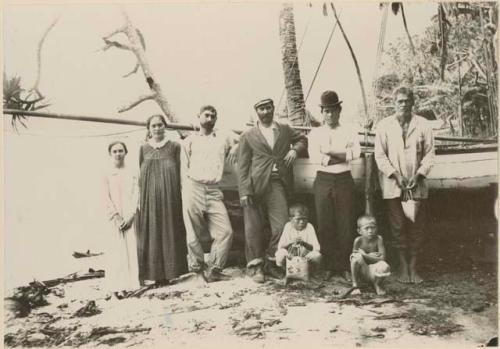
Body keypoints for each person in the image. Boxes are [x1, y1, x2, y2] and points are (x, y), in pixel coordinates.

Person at [238, 98, 307, 283]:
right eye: (261, 108)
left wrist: (295, 151)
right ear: (256, 111)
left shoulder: (284, 129)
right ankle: (255, 268)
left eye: (268, 107)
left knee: (281, 225)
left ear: (273, 109)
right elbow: (242, 167)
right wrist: (245, 191)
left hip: (277, 183)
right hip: (254, 185)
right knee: (253, 228)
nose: (266, 111)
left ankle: (271, 261)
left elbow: (302, 139)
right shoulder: (248, 135)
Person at [374, 86, 434, 284]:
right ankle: (402, 268)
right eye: (400, 101)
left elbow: (429, 154)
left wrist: (418, 175)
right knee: (398, 226)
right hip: (393, 186)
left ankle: (413, 268)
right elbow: (380, 156)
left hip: (417, 185)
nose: (403, 104)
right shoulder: (384, 126)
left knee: (417, 227)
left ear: (412, 103)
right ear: (394, 103)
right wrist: (395, 175)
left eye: (407, 101)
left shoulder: (423, 125)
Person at [180, 105, 239, 282]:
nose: (210, 118)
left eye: (214, 116)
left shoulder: (223, 137)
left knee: (225, 231)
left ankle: (214, 270)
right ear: (198, 117)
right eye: (206, 115)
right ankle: (197, 271)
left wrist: (236, 147)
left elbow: (244, 139)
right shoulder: (188, 141)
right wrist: (186, 192)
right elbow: (184, 169)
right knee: (193, 233)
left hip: (214, 189)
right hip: (193, 187)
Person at [308, 91, 361, 281]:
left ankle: (345, 266)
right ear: (322, 112)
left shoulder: (350, 130)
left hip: (344, 180)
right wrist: (342, 154)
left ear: (339, 110)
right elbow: (316, 158)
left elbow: (356, 153)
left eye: (333, 111)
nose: (329, 115)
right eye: (326, 111)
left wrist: (329, 152)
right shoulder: (315, 133)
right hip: (323, 180)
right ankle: (330, 266)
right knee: (325, 223)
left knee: (346, 223)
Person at [136, 114, 188, 286]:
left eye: (160, 125)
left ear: (165, 126)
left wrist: (181, 193)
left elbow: (181, 172)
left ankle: (171, 273)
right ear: (149, 129)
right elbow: (138, 176)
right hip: (149, 198)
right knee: (152, 231)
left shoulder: (174, 146)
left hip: (170, 196)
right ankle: (155, 275)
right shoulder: (143, 148)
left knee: (170, 229)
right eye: (154, 125)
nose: (157, 128)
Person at [103, 141, 140, 297]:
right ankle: (116, 286)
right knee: (116, 252)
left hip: (129, 217)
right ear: (110, 154)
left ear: (125, 152)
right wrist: (116, 216)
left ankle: (130, 285)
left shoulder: (132, 172)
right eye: (115, 151)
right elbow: (104, 197)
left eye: (121, 151)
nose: (118, 154)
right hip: (114, 219)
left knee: (130, 250)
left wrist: (131, 216)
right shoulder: (106, 173)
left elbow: (136, 195)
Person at [275, 203, 322, 275]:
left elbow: (316, 248)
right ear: (291, 219)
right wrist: (291, 241)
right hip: (291, 256)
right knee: (280, 254)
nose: (302, 222)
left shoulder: (309, 226)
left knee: (317, 256)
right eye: (298, 219)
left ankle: (312, 272)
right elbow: (280, 247)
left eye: (304, 219)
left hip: (305, 257)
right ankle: (283, 272)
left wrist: (304, 243)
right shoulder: (288, 226)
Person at [350, 215, 391, 295]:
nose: (370, 231)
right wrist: (371, 256)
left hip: (375, 272)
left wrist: (365, 255)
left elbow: (382, 259)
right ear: (359, 231)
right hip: (363, 271)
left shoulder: (379, 239)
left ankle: (377, 284)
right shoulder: (358, 240)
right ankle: (355, 285)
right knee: (356, 257)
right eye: (366, 228)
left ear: (377, 228)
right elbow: (354, 260)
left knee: (384, 266)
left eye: (373, 227)